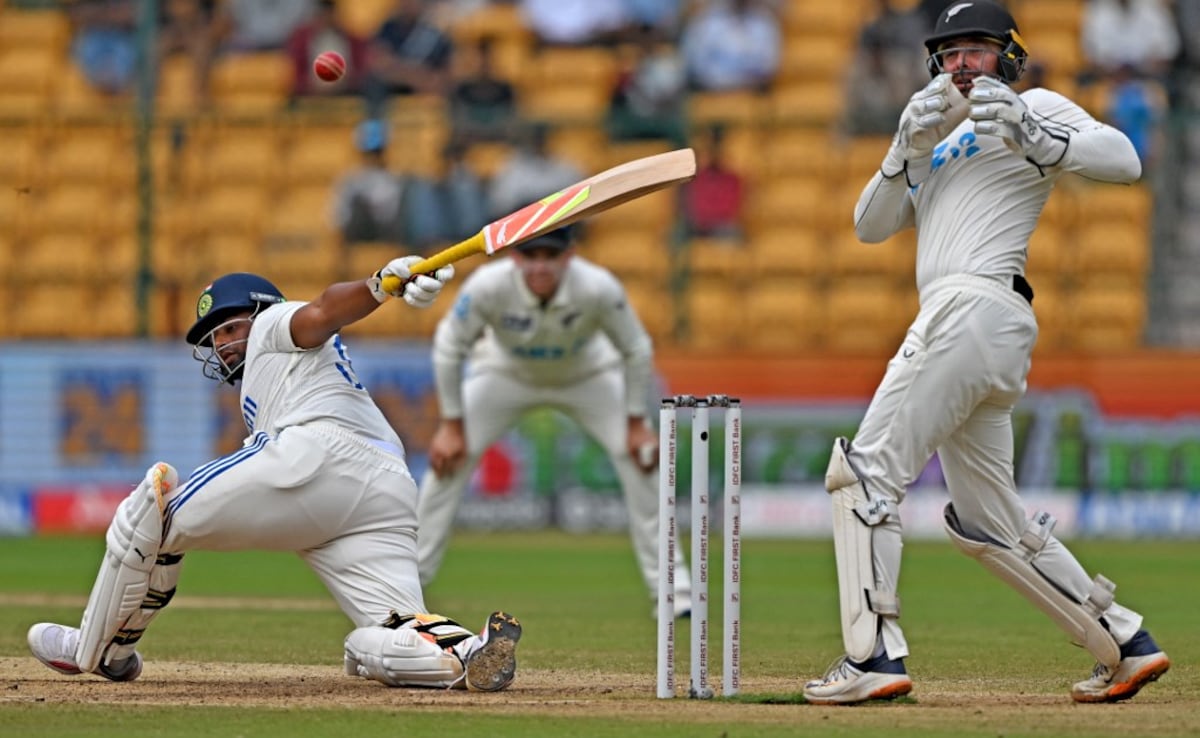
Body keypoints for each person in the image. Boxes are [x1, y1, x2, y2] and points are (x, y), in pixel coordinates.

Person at [802, 0, 1170, 705]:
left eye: (978, 50)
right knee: (986, 522)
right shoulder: (935, 140)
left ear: (1009, 55)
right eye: (951, 53)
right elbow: (870, 227)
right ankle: (1122, 639)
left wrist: (1039, 137)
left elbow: (1124, 160)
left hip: (972, 305)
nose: (964, 64)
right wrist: (901, 149)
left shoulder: (1036, 107)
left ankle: (872, 654)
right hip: (980, 326)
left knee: (864, 475)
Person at [26, 258, 524, 692]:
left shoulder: (273, 324)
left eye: (228, 328)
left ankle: (94, 649)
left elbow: (324, 311)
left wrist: (378, 285)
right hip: (385, 489)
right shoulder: (285, 372)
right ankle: (466, 654)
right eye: (214, 337)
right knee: (388, 628)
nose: (221, 345)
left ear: (260, 311)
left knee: (154, 505)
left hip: (316, 453)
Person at [415, 226, 692, 617]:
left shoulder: (597, 287)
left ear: (568, 256)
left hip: (587, 375)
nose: (540, 266)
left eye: (550, 256)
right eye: (531, 256)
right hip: (503, 373)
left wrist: (635, 422)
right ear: (515, 258)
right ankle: (406, 587)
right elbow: (449, 345)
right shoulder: (487, 286)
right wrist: (450, 426)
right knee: (446, 463)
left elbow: (636, 348)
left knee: (643, 458)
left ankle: (675, 593)